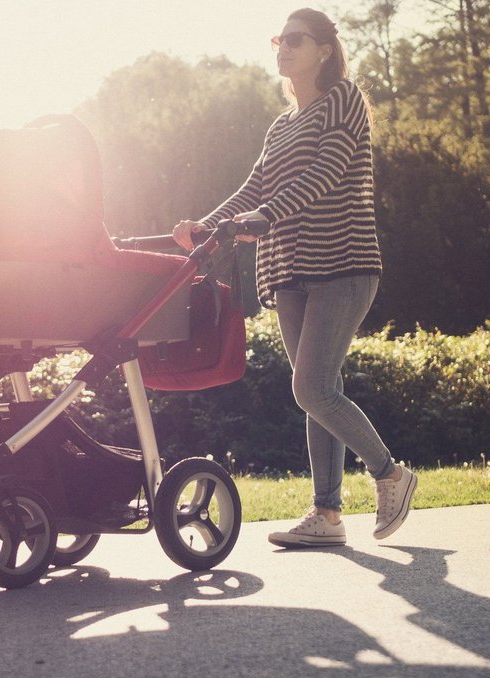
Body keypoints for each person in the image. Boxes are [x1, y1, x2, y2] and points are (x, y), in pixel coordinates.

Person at [173, 8, 417, 548]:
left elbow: (327, 172)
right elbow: (254, 187)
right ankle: (327, 515)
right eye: (279, 39)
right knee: (320, 391)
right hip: (289, 272)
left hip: (342, 265)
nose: (283, 48)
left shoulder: (343, 100)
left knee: (310, 389)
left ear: (325, 50)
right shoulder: (281, 126)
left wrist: (265, 217)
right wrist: (207, 226)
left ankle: (391, 475)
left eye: (297, 40)